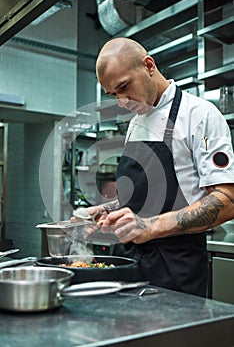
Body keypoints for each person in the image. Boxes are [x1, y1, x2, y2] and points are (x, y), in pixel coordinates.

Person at [72, 37, 234, 297]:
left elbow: (227, 200)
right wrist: (105, 211)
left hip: (176, 267)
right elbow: (138, 199)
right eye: (114, 94)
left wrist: (148, 227)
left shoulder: (200, 114)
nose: (122, 101)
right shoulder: (136, 123)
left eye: (124, 87)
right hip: (128, 263)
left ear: (148, 66)